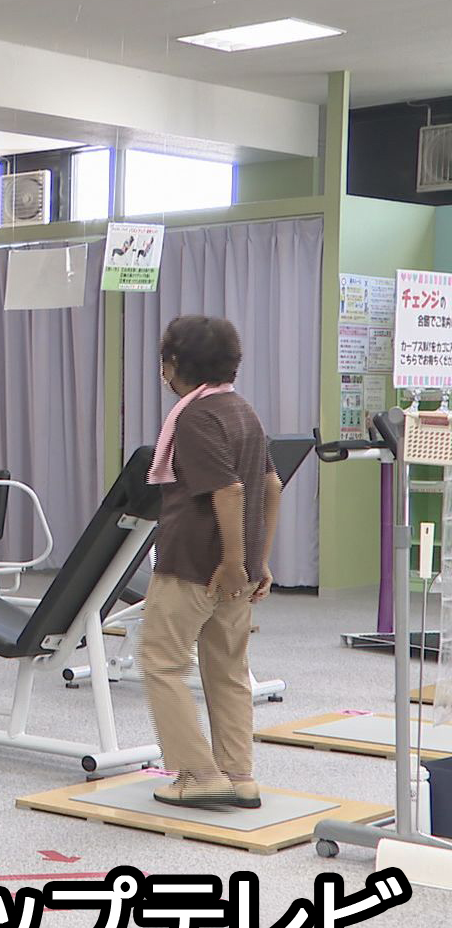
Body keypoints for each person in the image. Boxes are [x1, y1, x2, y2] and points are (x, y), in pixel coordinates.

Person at [141, 314, 281, 809]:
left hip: (194, 563)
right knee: (228, 668)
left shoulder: (195, 417)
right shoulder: (242, 410)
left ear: (174, 363)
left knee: (161, 662)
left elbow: (230, 490)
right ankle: (238, 775)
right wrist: (258, 561)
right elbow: (271, 486)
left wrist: (234, 563)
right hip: (234, 568)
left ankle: (199, 774)